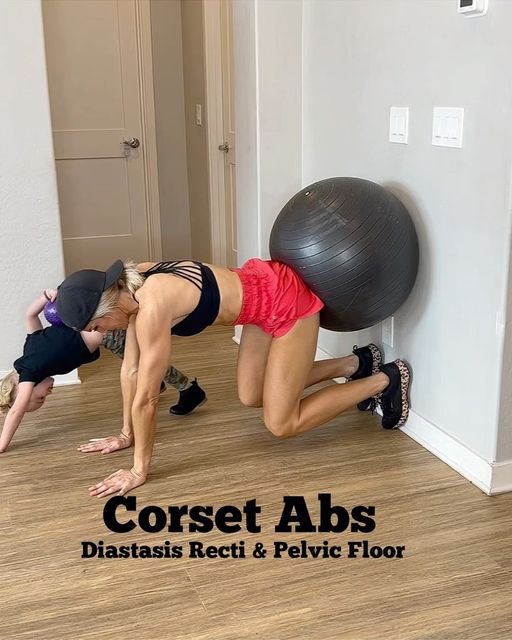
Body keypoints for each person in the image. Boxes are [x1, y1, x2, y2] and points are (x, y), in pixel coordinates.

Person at [56, 258, 411, 498]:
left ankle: (384, 380)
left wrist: (138, 470)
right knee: (251, 394)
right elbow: (130, 370)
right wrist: (124, 435)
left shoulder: (152, 307)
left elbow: (148, 398)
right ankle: (355, 364)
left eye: (97, 326)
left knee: (281, 422)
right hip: (258, 304)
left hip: (286, 304)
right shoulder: (133, 283)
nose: (101, 334)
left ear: (108, 307)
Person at [0, 289, 206, 453]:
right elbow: (30, 314)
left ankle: (189, 390)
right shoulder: (31, 349)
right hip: (102, 328)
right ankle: (162, 385)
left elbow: (16, 412)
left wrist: (2, 444)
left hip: (107, 330)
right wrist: (46, 296)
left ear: (24, 386)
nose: (49, 394)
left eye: (41, 398)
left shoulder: (30, 372)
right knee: (144, 364)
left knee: (147, 363)